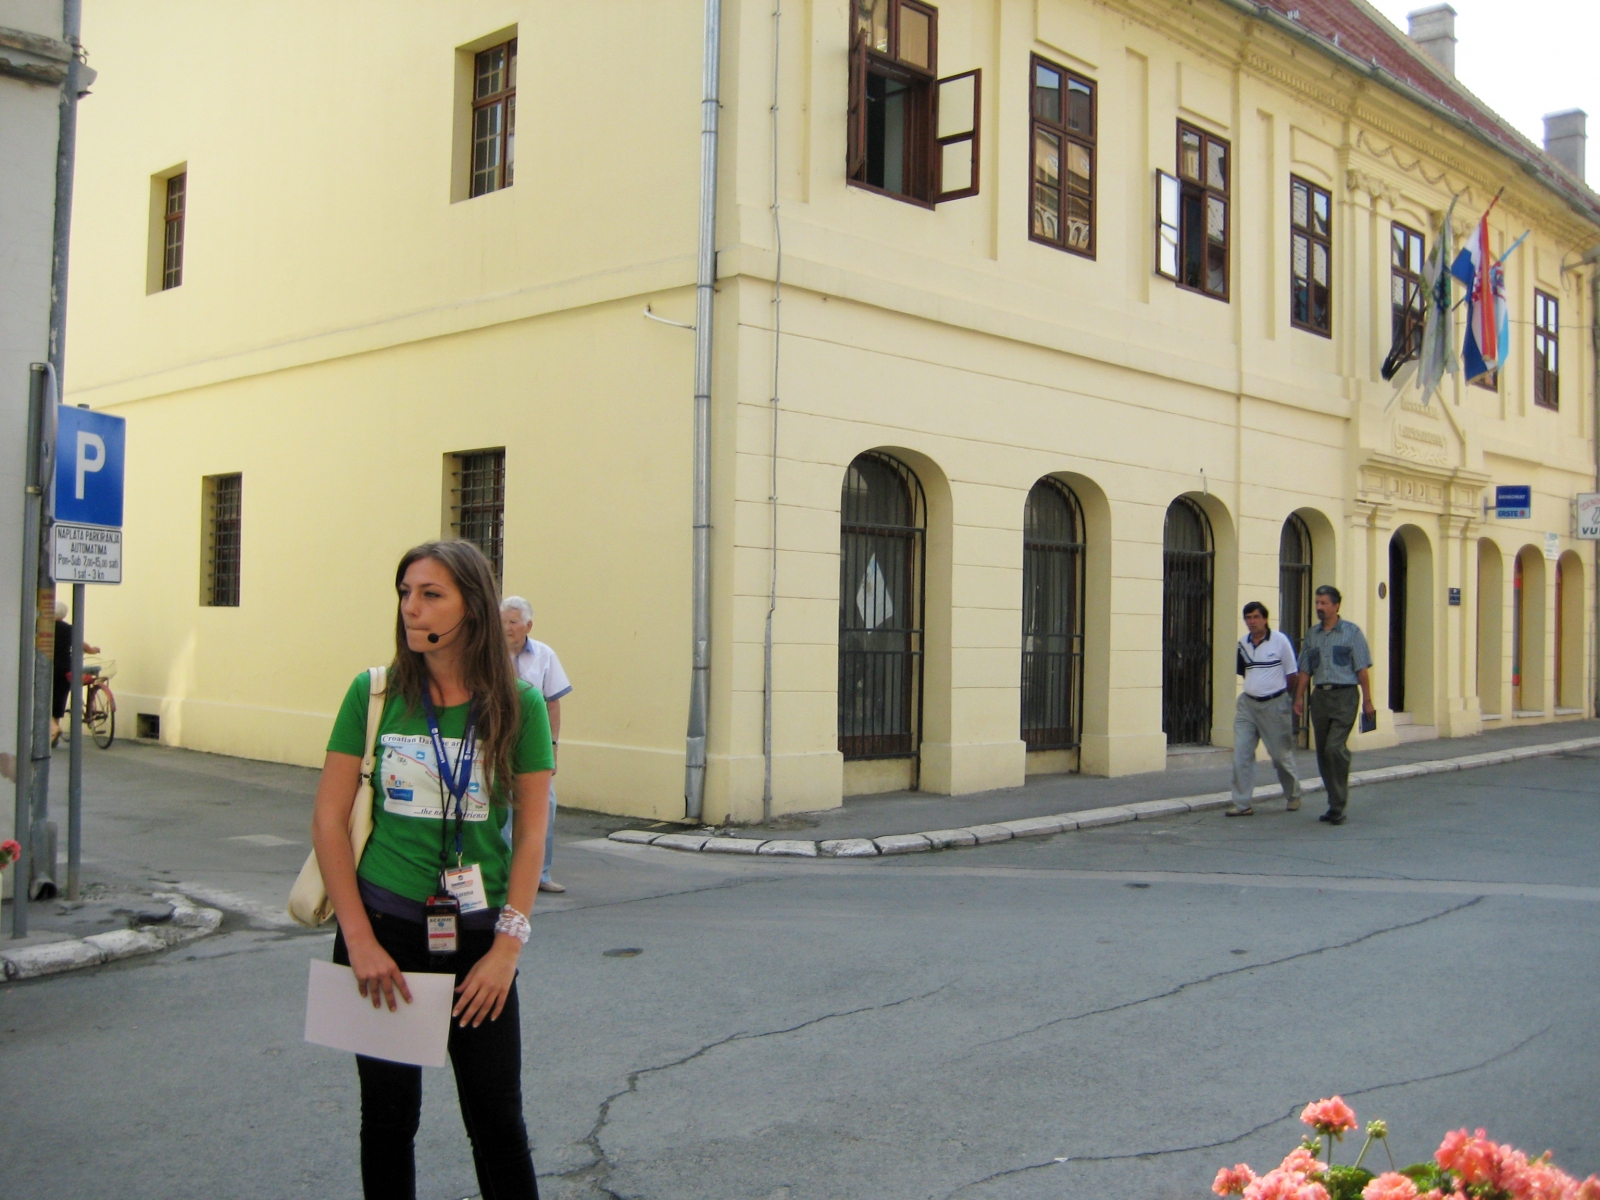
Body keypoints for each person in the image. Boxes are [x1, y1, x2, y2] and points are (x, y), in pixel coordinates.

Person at [311, 540, 553, 1200]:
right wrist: (359, 943)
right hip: (382, 936)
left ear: (472, 608)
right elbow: (329, 820)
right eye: (405, 592)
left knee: (498, 1123)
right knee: (388, 1122)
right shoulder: (375, 694)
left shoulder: (519, 706)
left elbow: (533, 831)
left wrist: (508, 946)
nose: (411, 608)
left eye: (430, 594)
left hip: (479, 942)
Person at [501, 596, 571, 894]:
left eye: (513, 622)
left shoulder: (544, 655)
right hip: (497, 740)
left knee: (545, 805)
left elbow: (553, 703)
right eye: (502, 622)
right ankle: (503, 874)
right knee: (500, 807)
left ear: (528, 625)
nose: (507, 628)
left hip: (533, 742)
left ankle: (540, 874)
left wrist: (552, 747)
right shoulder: (486, 655)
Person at [1293, 585, 1376, 826]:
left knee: (1334, 748)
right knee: (1322, 752)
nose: (1318, 607)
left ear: (1336, 605)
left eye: (1323, 603)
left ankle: (1339, 803)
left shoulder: (1352, 633)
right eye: (1317, 603)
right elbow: (1306, 669)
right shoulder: (1313, 635)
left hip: (1345, 696)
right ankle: (1334, 803)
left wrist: (1368, 701)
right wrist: (1298, 698)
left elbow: (1362, 668)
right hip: (1321, 697)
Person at [1226, 601, 1303, 816]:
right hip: (1248, 706)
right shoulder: (1243, 644)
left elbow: (1292, 675)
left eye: (1255, 617)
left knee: (1280, 755)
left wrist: (1281, 698)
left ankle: (1293, 794)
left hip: (1274, 705)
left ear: (1265, 619)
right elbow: (1246, 673)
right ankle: (1242, 804)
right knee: (1241, 753)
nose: (1252, 622)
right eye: (1248, 618)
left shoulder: (1280, 641)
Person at [51, 599, 100, 745]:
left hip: (48, 666)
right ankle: (54, 734)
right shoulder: (69, 629)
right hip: (66, 667)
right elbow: (81, 644)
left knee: (44, 699)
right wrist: (92, 650)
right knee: (60, 697)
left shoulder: (45, 627)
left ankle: (54, 728)